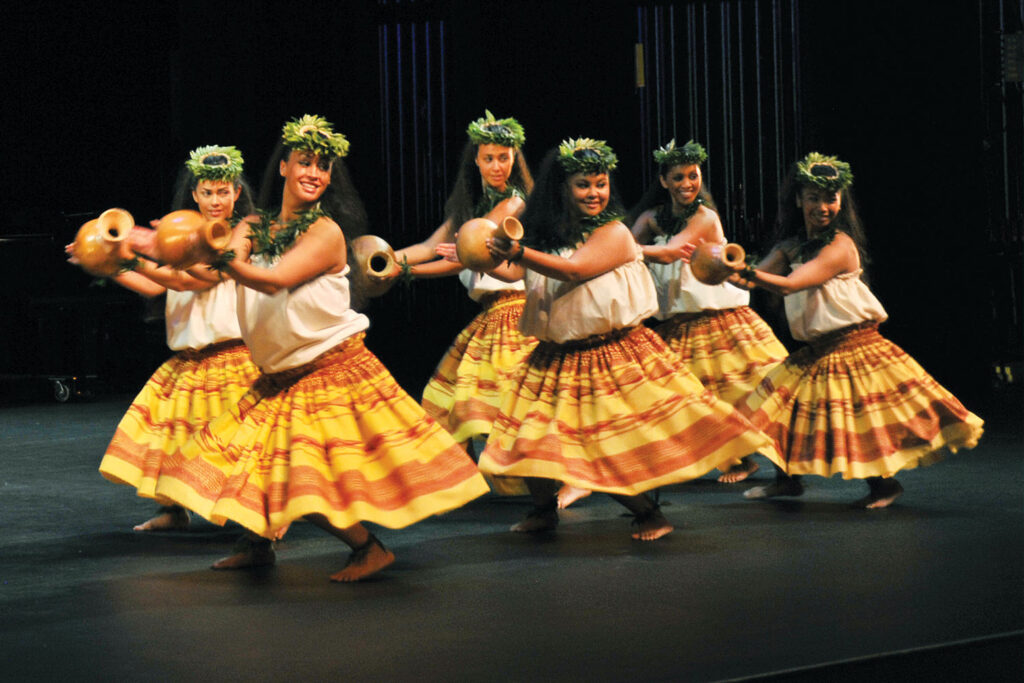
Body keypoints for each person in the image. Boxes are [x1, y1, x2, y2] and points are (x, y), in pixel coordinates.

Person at [153, 115, 489, 581]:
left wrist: (218, 256)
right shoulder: (253, 224)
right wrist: (145, 251)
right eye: (305, 162)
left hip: (329, 369)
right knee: (254, 463)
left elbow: (273, 281)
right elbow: (210, 275)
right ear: (285, 167)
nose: (314, 172)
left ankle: (368, 548)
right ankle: (257, 544)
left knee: (298, 475)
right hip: (281, 375)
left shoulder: (326, 232)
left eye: (324, 165)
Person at [479, 138, 778, 541]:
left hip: (606, 352)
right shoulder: (547, 235)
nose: (594, 193)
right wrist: (487, 258)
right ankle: (543, 509)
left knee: (603, 442)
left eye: (600, 184)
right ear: (562, 189)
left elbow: (574, 270)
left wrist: (517, 251)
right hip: (554, 355)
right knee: (528, 437)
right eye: (584, 185)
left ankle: (649, 514)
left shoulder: (614, 233)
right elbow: (520, 275)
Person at [720, 152, 984, 508]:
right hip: (817, 350)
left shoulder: (840, 246)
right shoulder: (791, 246)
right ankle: (787, 481)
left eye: (830, 198)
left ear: (841, 201)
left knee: (860, 422)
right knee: (775, 411)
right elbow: (747, 281)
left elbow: (789, 285)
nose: (823, 207)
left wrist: (747, 273)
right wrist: (720, 265)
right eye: (813, 197)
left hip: (853, 346)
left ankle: (884, 486)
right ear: (798, 200)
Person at [87, 145, 261, 532]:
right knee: (168, 437)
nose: (215, 200)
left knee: (239, 445)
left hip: (233, 355)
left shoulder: (245, 232)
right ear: (194, 194)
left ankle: (257, 521)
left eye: (223, 191)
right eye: (207, 192)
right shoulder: (177, 232)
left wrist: (137, 254)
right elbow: (153, 287)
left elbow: (197, 278)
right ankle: (173, 509)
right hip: (187, 358)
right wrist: (103, 262)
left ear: (236, 192)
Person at [630, 139, 788, 484]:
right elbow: (632, 245)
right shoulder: (651, 218)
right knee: (687, 401)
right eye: (678, 178)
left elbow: (670, 253)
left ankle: (784, 470)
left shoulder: (705, 217)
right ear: (663, 182)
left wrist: (617, 248)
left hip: (722, 321)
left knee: (751, 392)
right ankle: (736, 462)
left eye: (693, 176)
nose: (687, 184)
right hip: (680, 327)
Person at [394, 112, 536, 457]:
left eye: (504, 157)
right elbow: (429, 247)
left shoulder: (513, 203)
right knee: (461, 399)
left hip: (514, 314)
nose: (496, 166)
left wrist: (407, 273)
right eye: (489, 158)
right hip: (490, 315)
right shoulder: (471, 209)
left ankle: (538, 472)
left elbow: (464, 255)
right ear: (476, 160)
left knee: (498, 402)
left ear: (515, 157)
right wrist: (386, 259)